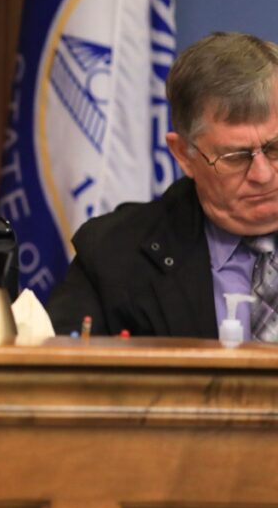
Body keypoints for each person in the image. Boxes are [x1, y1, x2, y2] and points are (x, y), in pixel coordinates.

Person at [47, 32, 278, 340]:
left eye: (275, 148)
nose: (263, 174)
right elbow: (63, 377)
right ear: (184, 155)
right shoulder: (114, 255)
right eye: (235, 157)